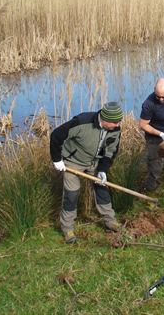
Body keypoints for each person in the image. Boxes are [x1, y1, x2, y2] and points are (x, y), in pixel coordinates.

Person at [50, 102, 124, 244]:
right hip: (73, 162)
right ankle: (67, 229)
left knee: (102, 188)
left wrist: (102, 169)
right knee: (72, 193)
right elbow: (56, 136)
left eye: (119, 121)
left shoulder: (115, 130)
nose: (118, 125)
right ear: (105, 119)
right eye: (115, 122)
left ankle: (110, 221)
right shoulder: (82, 122)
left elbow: (110, 152)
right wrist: (57, 160)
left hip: (94, 162)